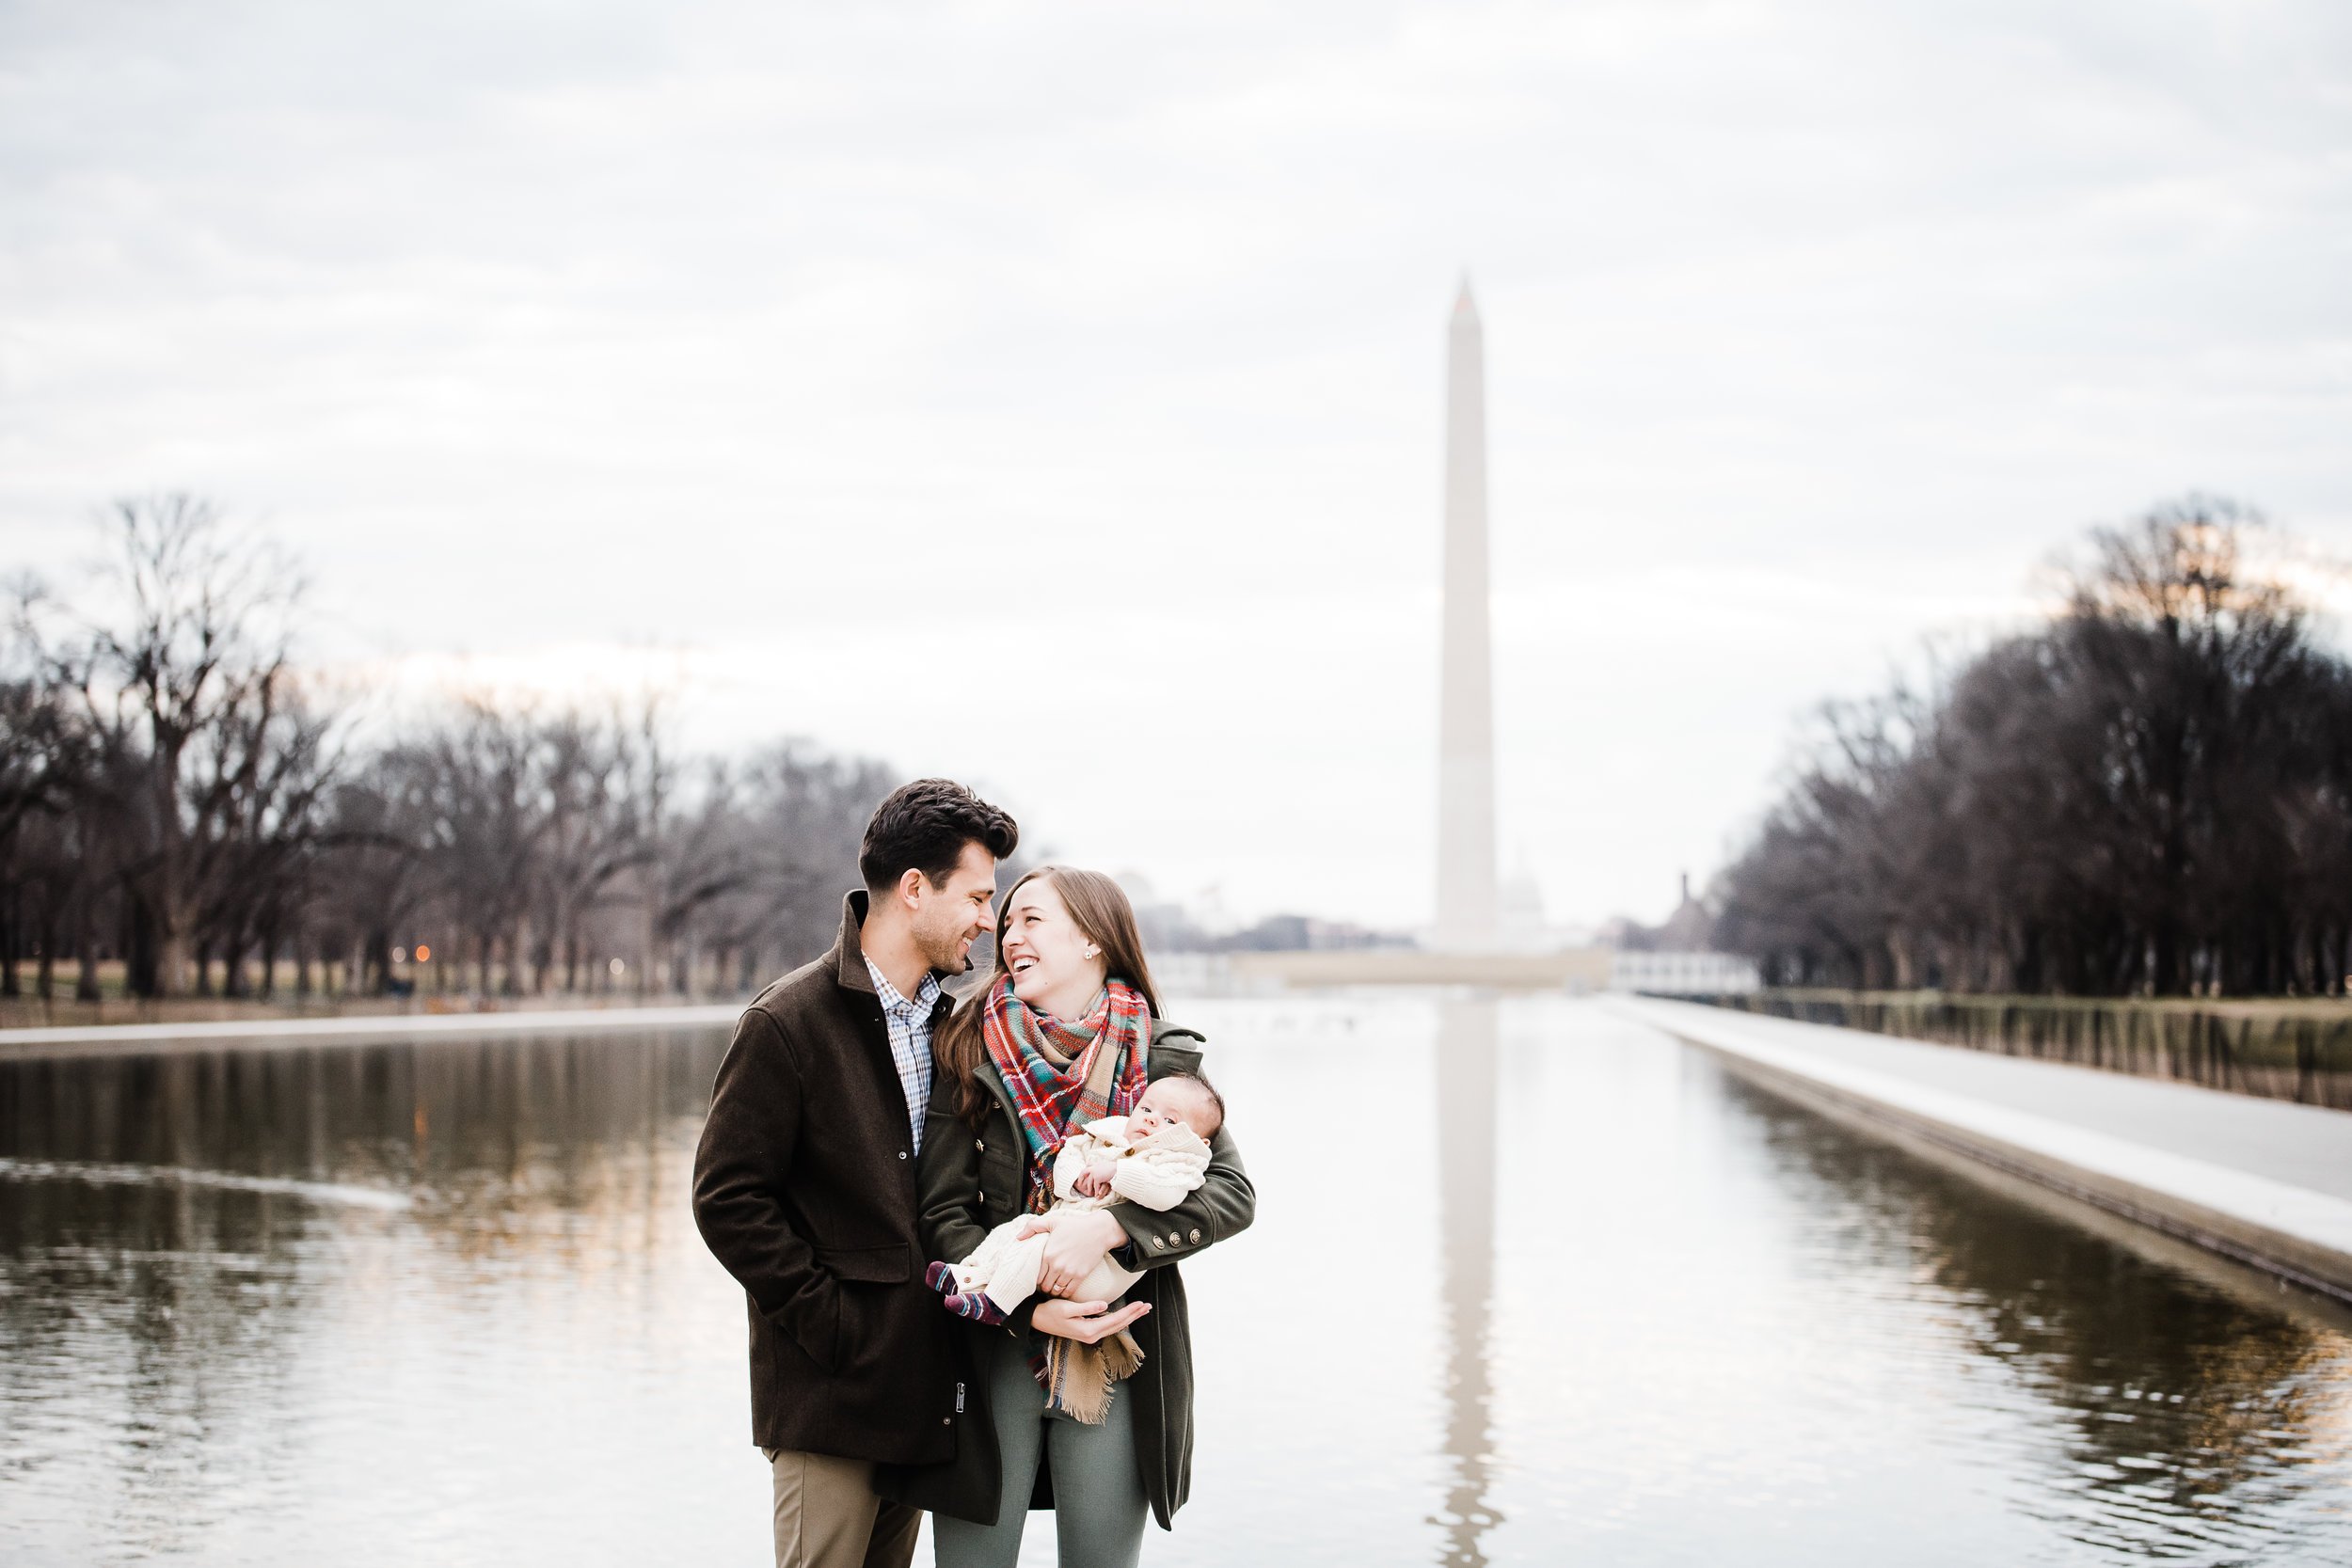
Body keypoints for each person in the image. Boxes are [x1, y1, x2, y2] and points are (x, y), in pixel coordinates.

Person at [877, 866, 1256, 1568]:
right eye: (1007, 919)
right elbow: (940, 1213)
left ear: (1091, 938)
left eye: (1031, 919)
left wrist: (1109, 1229)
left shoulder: (1162, 1055)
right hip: (989, 1353)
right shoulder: (967, 1045)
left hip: (1118, 1353)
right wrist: (1028, 1309)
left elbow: (1233, 1193)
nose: (1007, 933)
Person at [692, 779, 1018, 1568]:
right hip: (827, 1397)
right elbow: (726, 1198)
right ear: (914, 889)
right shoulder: (787, 1021)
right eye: (977, 896)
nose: (988, 919)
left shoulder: (955, 1024)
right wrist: (830, 1324)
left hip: (920, 1397)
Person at [926, 1072, 1225, 1337]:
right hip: (1061, 1232)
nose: (1150, 1118)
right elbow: (1072, 1151)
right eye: (1145, 1108)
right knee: (1018, 1230)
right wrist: (1074, 1182)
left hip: (1102, 1269)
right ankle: (970, 1276)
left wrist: (1117, 1181)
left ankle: (997, 1304)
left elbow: (1167, 1193)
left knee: (1035, 1242)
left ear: (1198, 1142)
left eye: (1170, 1120)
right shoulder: (1111, 1134)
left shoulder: (1179, 1161)